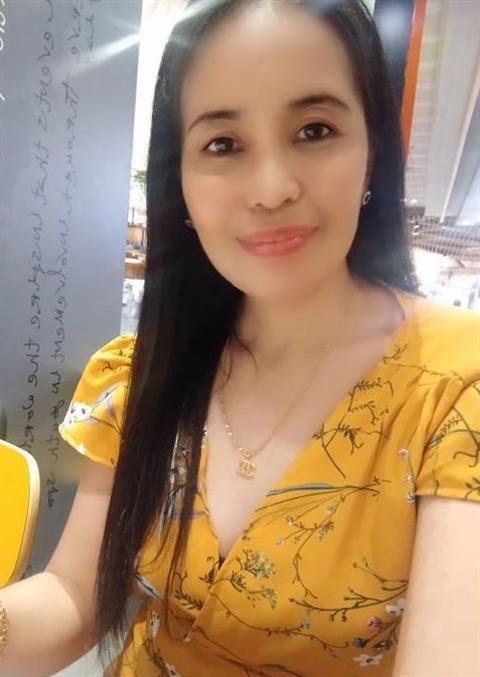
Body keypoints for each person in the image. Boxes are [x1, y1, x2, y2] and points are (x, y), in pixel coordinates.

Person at [1, 0, 479, 675]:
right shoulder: (143, 374)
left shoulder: (456, 386)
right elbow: (75, 596)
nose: (271, 189)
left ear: (372, 150)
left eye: (314, 130)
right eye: (223, 144)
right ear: (180, 181)